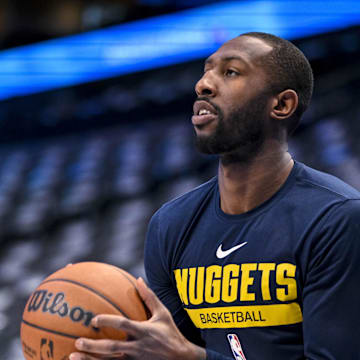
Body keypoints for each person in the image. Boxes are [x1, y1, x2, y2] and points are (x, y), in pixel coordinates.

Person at [69, 32, 360, 360]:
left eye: (231, 72)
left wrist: (192, 359)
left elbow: (182, 355)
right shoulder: (171, 225)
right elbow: (170, 351)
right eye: (205, 71)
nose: (203, 85)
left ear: (281, 104)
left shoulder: (337, 219)